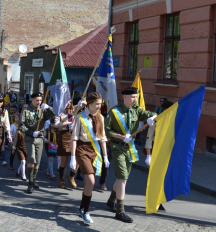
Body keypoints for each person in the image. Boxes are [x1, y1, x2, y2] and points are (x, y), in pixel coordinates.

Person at [105, 87, 156, 223]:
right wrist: (121, 137)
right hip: (117, 147)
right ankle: (120, 211)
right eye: (132, 97)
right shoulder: (114, 111)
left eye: (136, 97)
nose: (135, 100)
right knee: (122, 178)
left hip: (129, 148)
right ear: (125, 97)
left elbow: (152, 114)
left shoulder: (137, 110)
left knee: (124, 178)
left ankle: (111, 201)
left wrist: (151, 119)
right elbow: (107, 131)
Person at [70, 92, 109, 225]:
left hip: (95, 150)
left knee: (88, 183)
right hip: (82, 149)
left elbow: (102, 138)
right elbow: (74, 138)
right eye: (97, 104)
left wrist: (105, 156)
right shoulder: (80, 118)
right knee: (91, 181)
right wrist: (72, 158)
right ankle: (87, 212)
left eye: (100, 104)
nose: (100, 106)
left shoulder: (100, 118)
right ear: (90, 103)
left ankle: (82, 208)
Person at [19, 92, 55, 194]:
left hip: (39, 139)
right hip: (30, 138)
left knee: (37, 162)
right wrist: (30, 132)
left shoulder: (43, 110)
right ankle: (30, 183)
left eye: (40, 100)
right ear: (32, 100)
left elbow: (52, 116)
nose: (39, 102)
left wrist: (48, 108)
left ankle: (34, 179)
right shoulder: (26, 111)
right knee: (31, 158)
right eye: (37, 100)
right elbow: (21, 125)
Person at [144, 100, 174, 212]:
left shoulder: (173, 121)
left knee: (163, 178)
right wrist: (148, 155)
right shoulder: (156, 121)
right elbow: (148, 138)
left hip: (167, 153)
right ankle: (153, 201)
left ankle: (159, 201)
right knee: (154, 178)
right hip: (156, 152)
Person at [56, 101, 85, 189]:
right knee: (64, 161)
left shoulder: (74, 109)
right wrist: (65, 123)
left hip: (74, 135)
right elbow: (56, 124)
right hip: (64, 135)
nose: (68, 103)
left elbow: (84, 105)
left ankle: (71, 177)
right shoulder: (59, 112)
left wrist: (81, 103)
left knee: (77, 160)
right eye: (66, 101)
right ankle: (61, 180)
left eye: (69, 102)